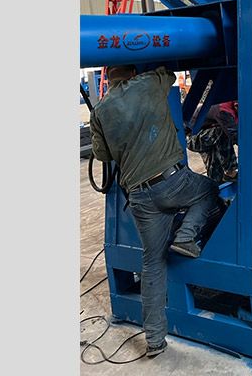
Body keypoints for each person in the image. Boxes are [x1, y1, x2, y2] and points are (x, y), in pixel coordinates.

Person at [89, 64, 220, 358]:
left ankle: (155, 340)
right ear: (133, 72)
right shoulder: (149, 83)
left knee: (152, 263)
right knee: (209, 191)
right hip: (172, 182)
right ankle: (186, 236)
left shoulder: (99, 111)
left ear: (110, 79)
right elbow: (171, 72)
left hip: (139, 197)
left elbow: (101, 154)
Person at [186, 101, 238, 183]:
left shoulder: (234, 109)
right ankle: (230, 170)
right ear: (236, 106)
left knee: (215, 172)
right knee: (222, 132)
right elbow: (234, 136)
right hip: (194, 138)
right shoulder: (223, 110)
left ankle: (217, 183)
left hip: (208, 135)